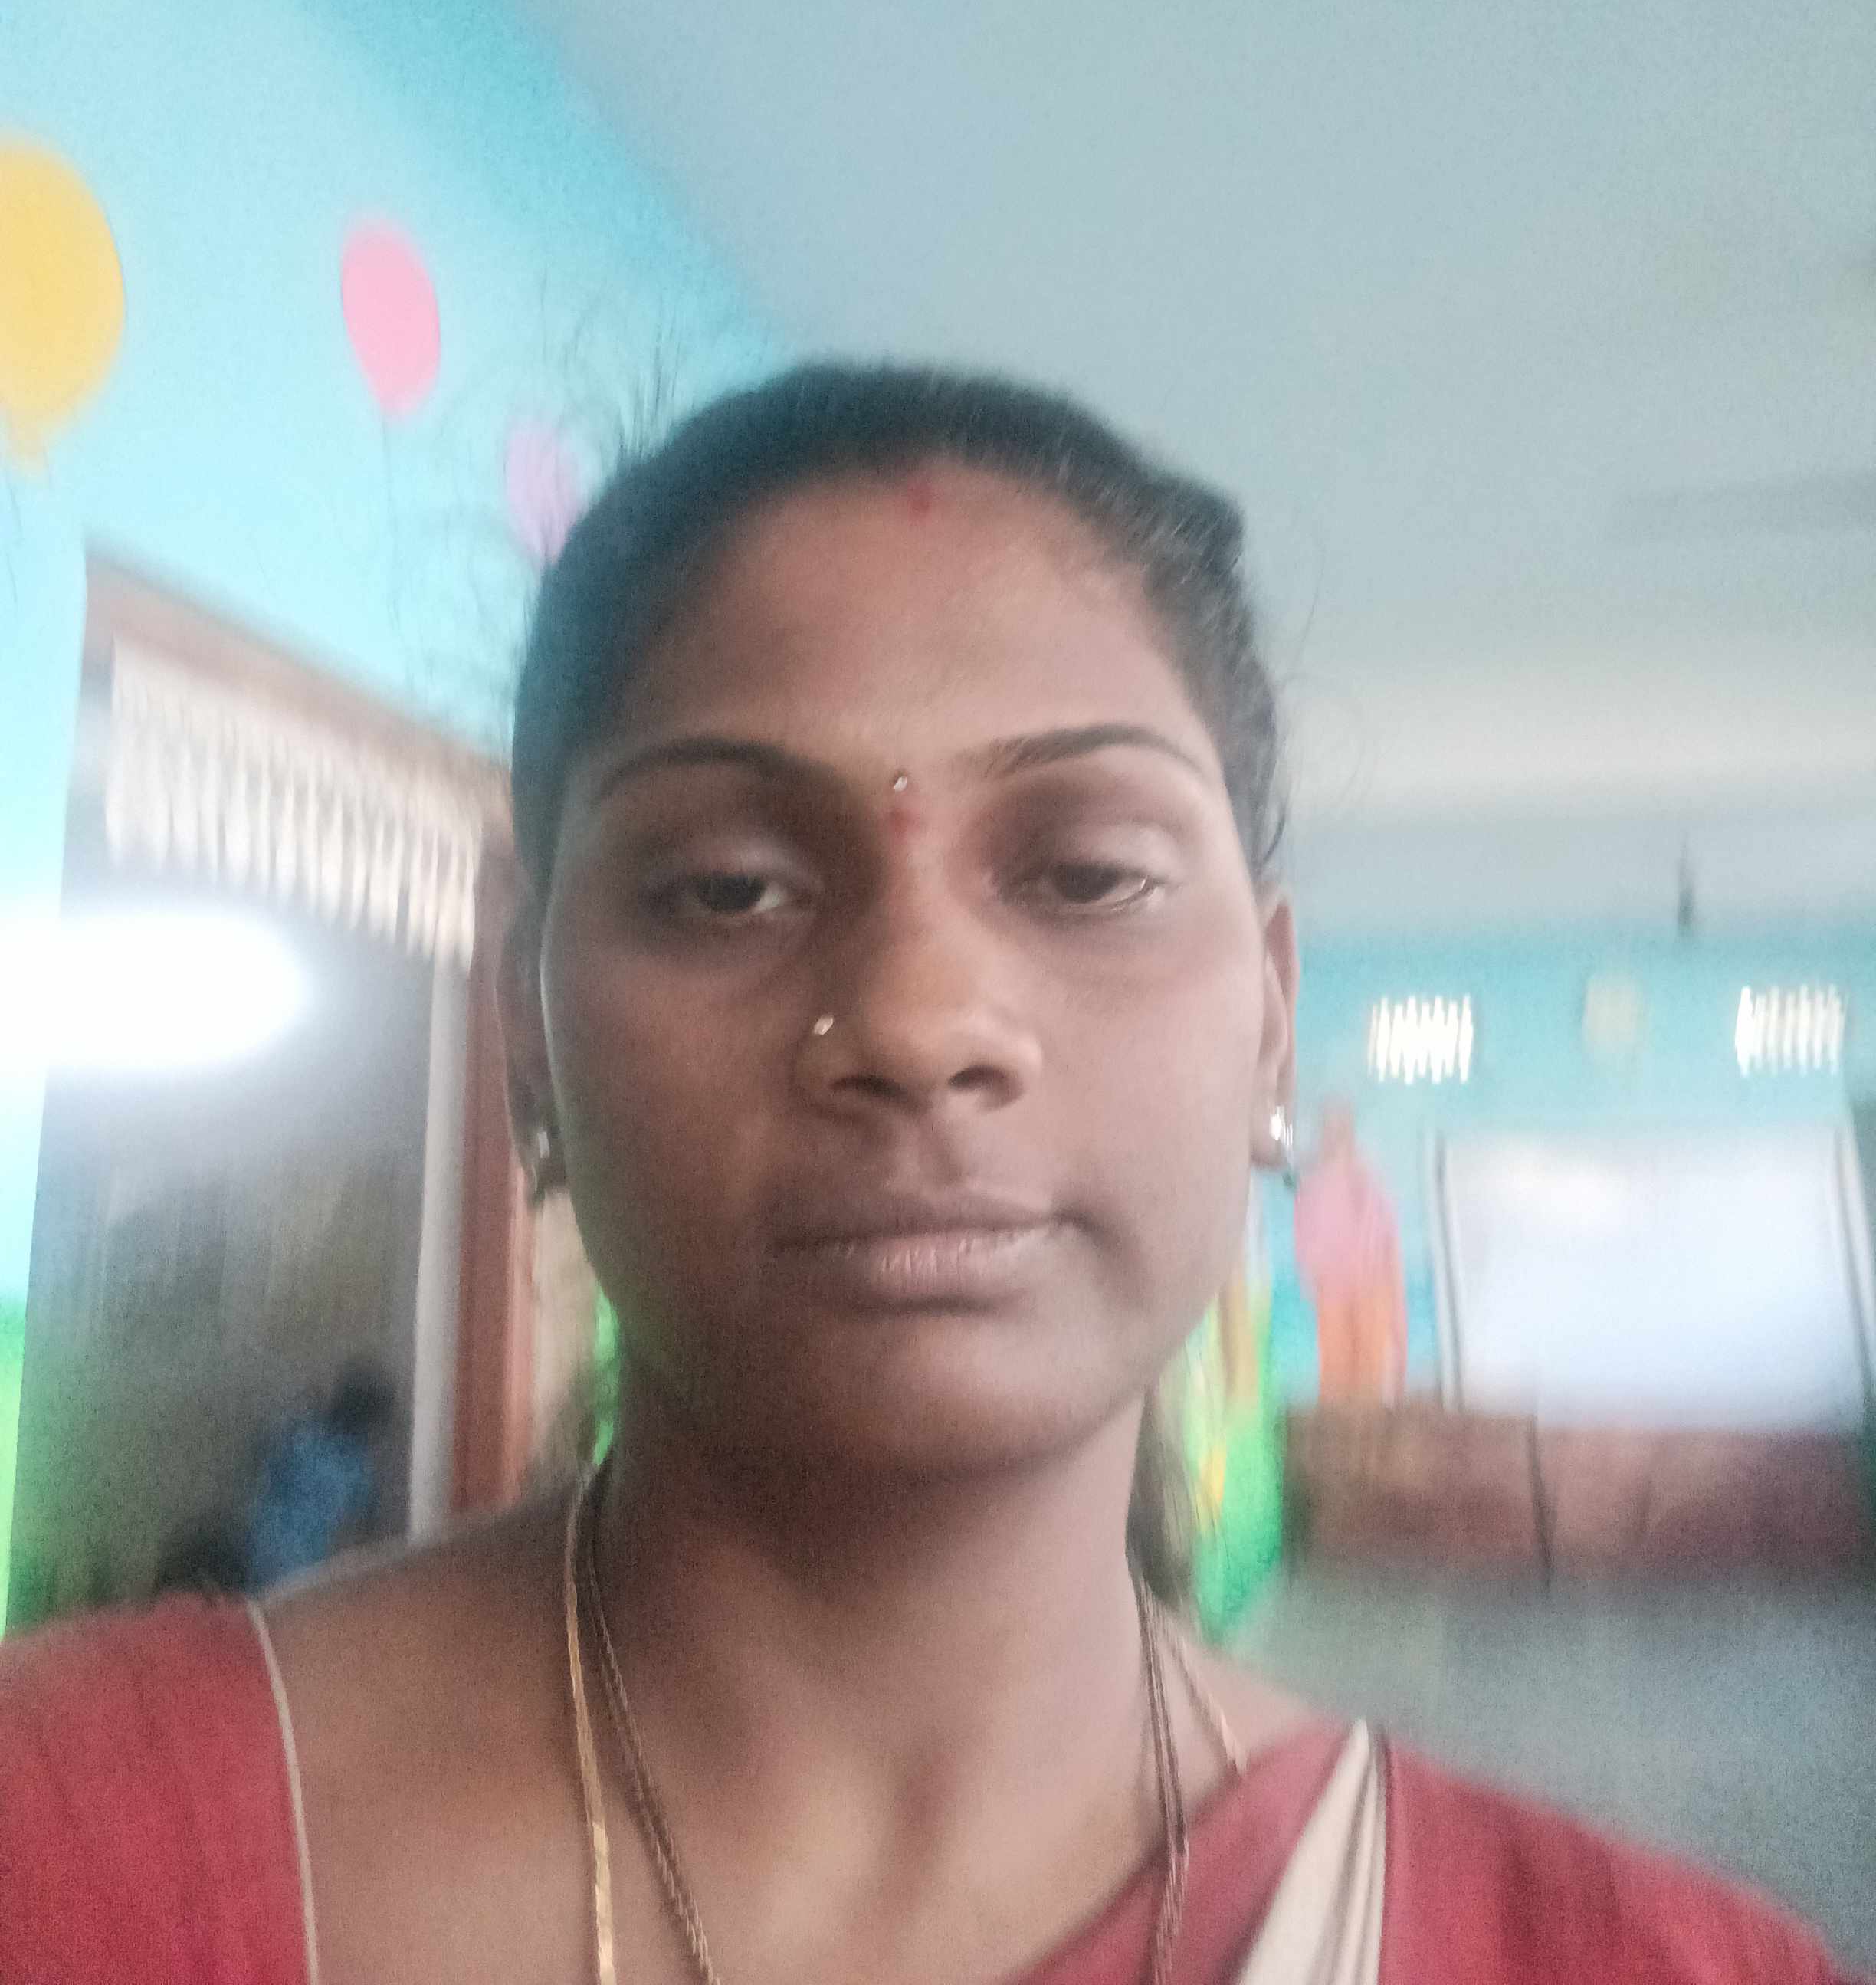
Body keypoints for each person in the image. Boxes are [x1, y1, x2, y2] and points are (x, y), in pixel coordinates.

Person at [0, 364, 1858, 1983]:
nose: (914, 1020)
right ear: (523, 1024)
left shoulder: (1646, 1963)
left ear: (1273, 1026)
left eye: (1087, 874)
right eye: (726, 886)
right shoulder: (65, 1853)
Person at [1291, 1100, 1409, 1406]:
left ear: (1350, 1134)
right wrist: (1315, 1279)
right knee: (1336, 1383)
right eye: (1329, 1131)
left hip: (1370, 1291)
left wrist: (1397, 1319)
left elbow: (1389, 1247)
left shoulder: (1369, 1184)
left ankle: (1366, 1426)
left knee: (1369, 1382)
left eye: (1340, 1131)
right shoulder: (1312, 1187)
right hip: (1334, 1293)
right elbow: (1306, 1250)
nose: (1334, 1139)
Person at [245, 1362, 397, 1591]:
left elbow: (264, 1463)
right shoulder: (356, 1466)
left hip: (266, 1552)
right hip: (296, 1565)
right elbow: (367, 1528)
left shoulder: (300, 1434)